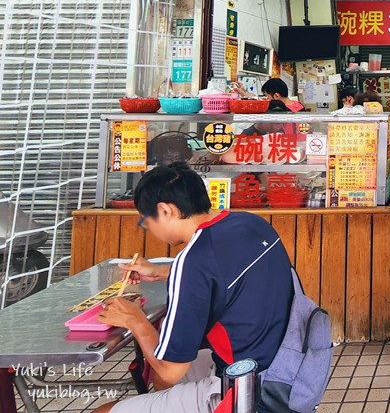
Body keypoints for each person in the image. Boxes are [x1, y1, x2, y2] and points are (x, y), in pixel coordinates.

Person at [94, 163, 292, 413]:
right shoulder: (250, 223)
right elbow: (223, 272)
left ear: (165, 210)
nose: (149, 229)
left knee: (106, 409)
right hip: (284, 365)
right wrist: (164, 272)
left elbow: (171, 370)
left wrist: (135, 320)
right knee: (159, 381)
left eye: (147, 221)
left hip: (246, 390)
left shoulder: (192, 260)